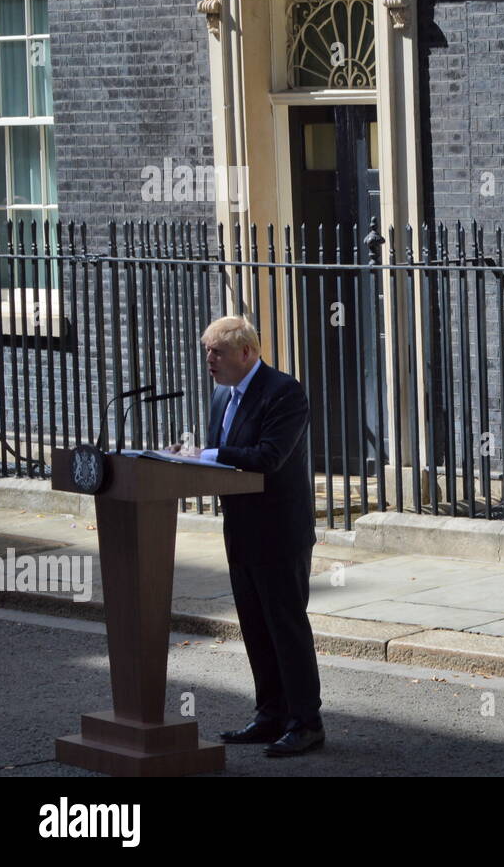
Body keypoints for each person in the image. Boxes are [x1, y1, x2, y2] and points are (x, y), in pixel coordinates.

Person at [177, 316, 324, 757]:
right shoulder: (222, 394)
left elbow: (269, 456)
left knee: (286, 626)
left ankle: (306, 722)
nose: (208, 359)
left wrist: (204, 454)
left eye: (216, 352)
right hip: (239, 528)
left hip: (280, 531)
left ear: (246, 353)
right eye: (206, 350)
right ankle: (270, 714)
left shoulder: (284, 392)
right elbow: (224, 459)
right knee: (255, 627)